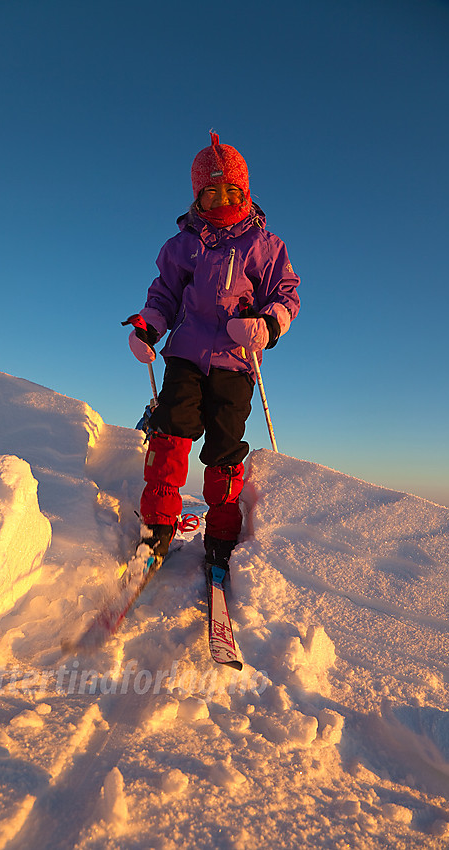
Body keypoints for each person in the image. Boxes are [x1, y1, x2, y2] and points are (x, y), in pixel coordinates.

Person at [125, 131, 300, 569]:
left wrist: (266, 325)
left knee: (224, 444)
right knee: (171, 431)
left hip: (236, 361)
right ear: (197, 198)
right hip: (184, 355)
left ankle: (222, 533)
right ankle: (158, 526)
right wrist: (148, 326)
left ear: (244, 191)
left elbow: (286, 294)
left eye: (230, 190)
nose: (221, 199)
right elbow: (164, 294)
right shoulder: (182, 245)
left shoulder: (265, 246)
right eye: (211, 191)